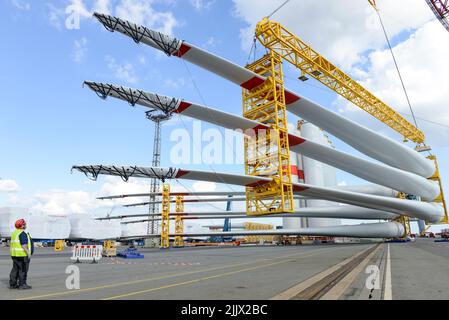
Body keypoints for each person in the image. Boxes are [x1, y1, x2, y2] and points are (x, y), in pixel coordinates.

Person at [9, 219, 34, 290]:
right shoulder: (22, 233)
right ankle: (22, 284)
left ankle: (13, 284)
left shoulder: (14, 233)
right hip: (22, 255)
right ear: (21, 226)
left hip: (14, 255)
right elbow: (24, 245)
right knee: (23, 270)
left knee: (15, 269)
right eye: (24, 224)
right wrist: (28, 253)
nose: (25, 225)